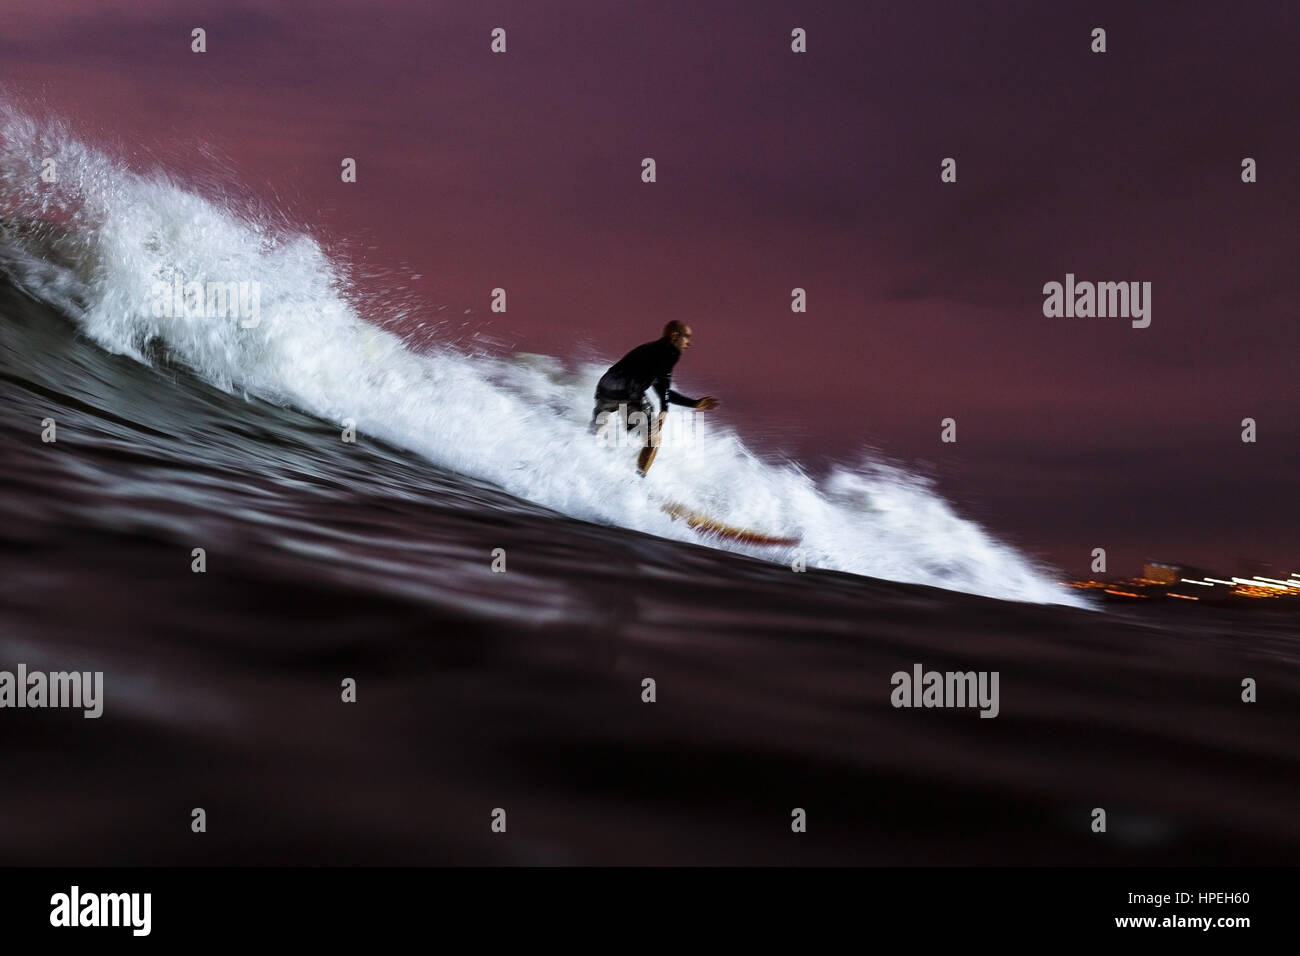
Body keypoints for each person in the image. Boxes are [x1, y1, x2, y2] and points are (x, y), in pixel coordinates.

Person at [591, 320, 719, 475]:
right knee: (654, 439)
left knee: (597, 431)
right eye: (686, 337)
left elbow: (663, 390)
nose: (689, 343)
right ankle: (638, 482)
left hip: (605, 387)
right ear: (674, 336)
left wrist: (694, 403)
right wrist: (664, 410)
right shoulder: (670, 352)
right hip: (626, 389)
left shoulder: (651, 351)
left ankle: (586, 458)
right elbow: (664, 384)